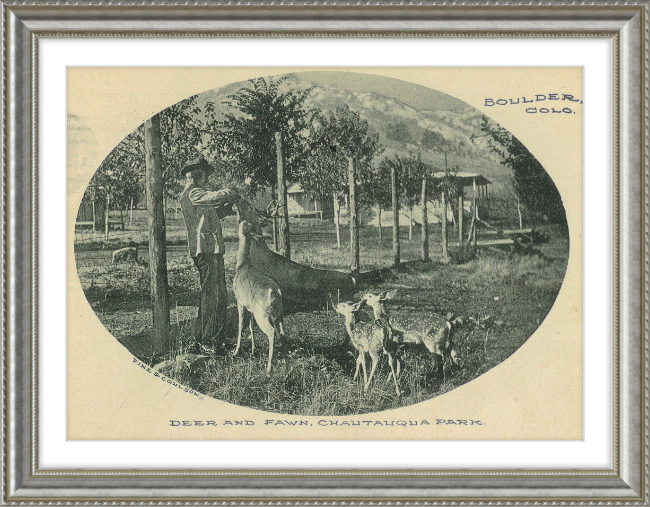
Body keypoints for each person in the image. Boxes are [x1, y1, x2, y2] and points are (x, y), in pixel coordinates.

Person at [179, 157, 240, 350]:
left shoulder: (198, 195)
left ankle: (212, 338)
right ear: (198, 175)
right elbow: (213, 198)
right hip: (205, 250)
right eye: (206, 175)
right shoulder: (193, 192)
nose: (208, 179)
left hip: (211, 250)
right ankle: (209, 340)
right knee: (212, 296)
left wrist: (226, 209)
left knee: (217, 295)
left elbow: (211, 212)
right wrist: (230, 192)